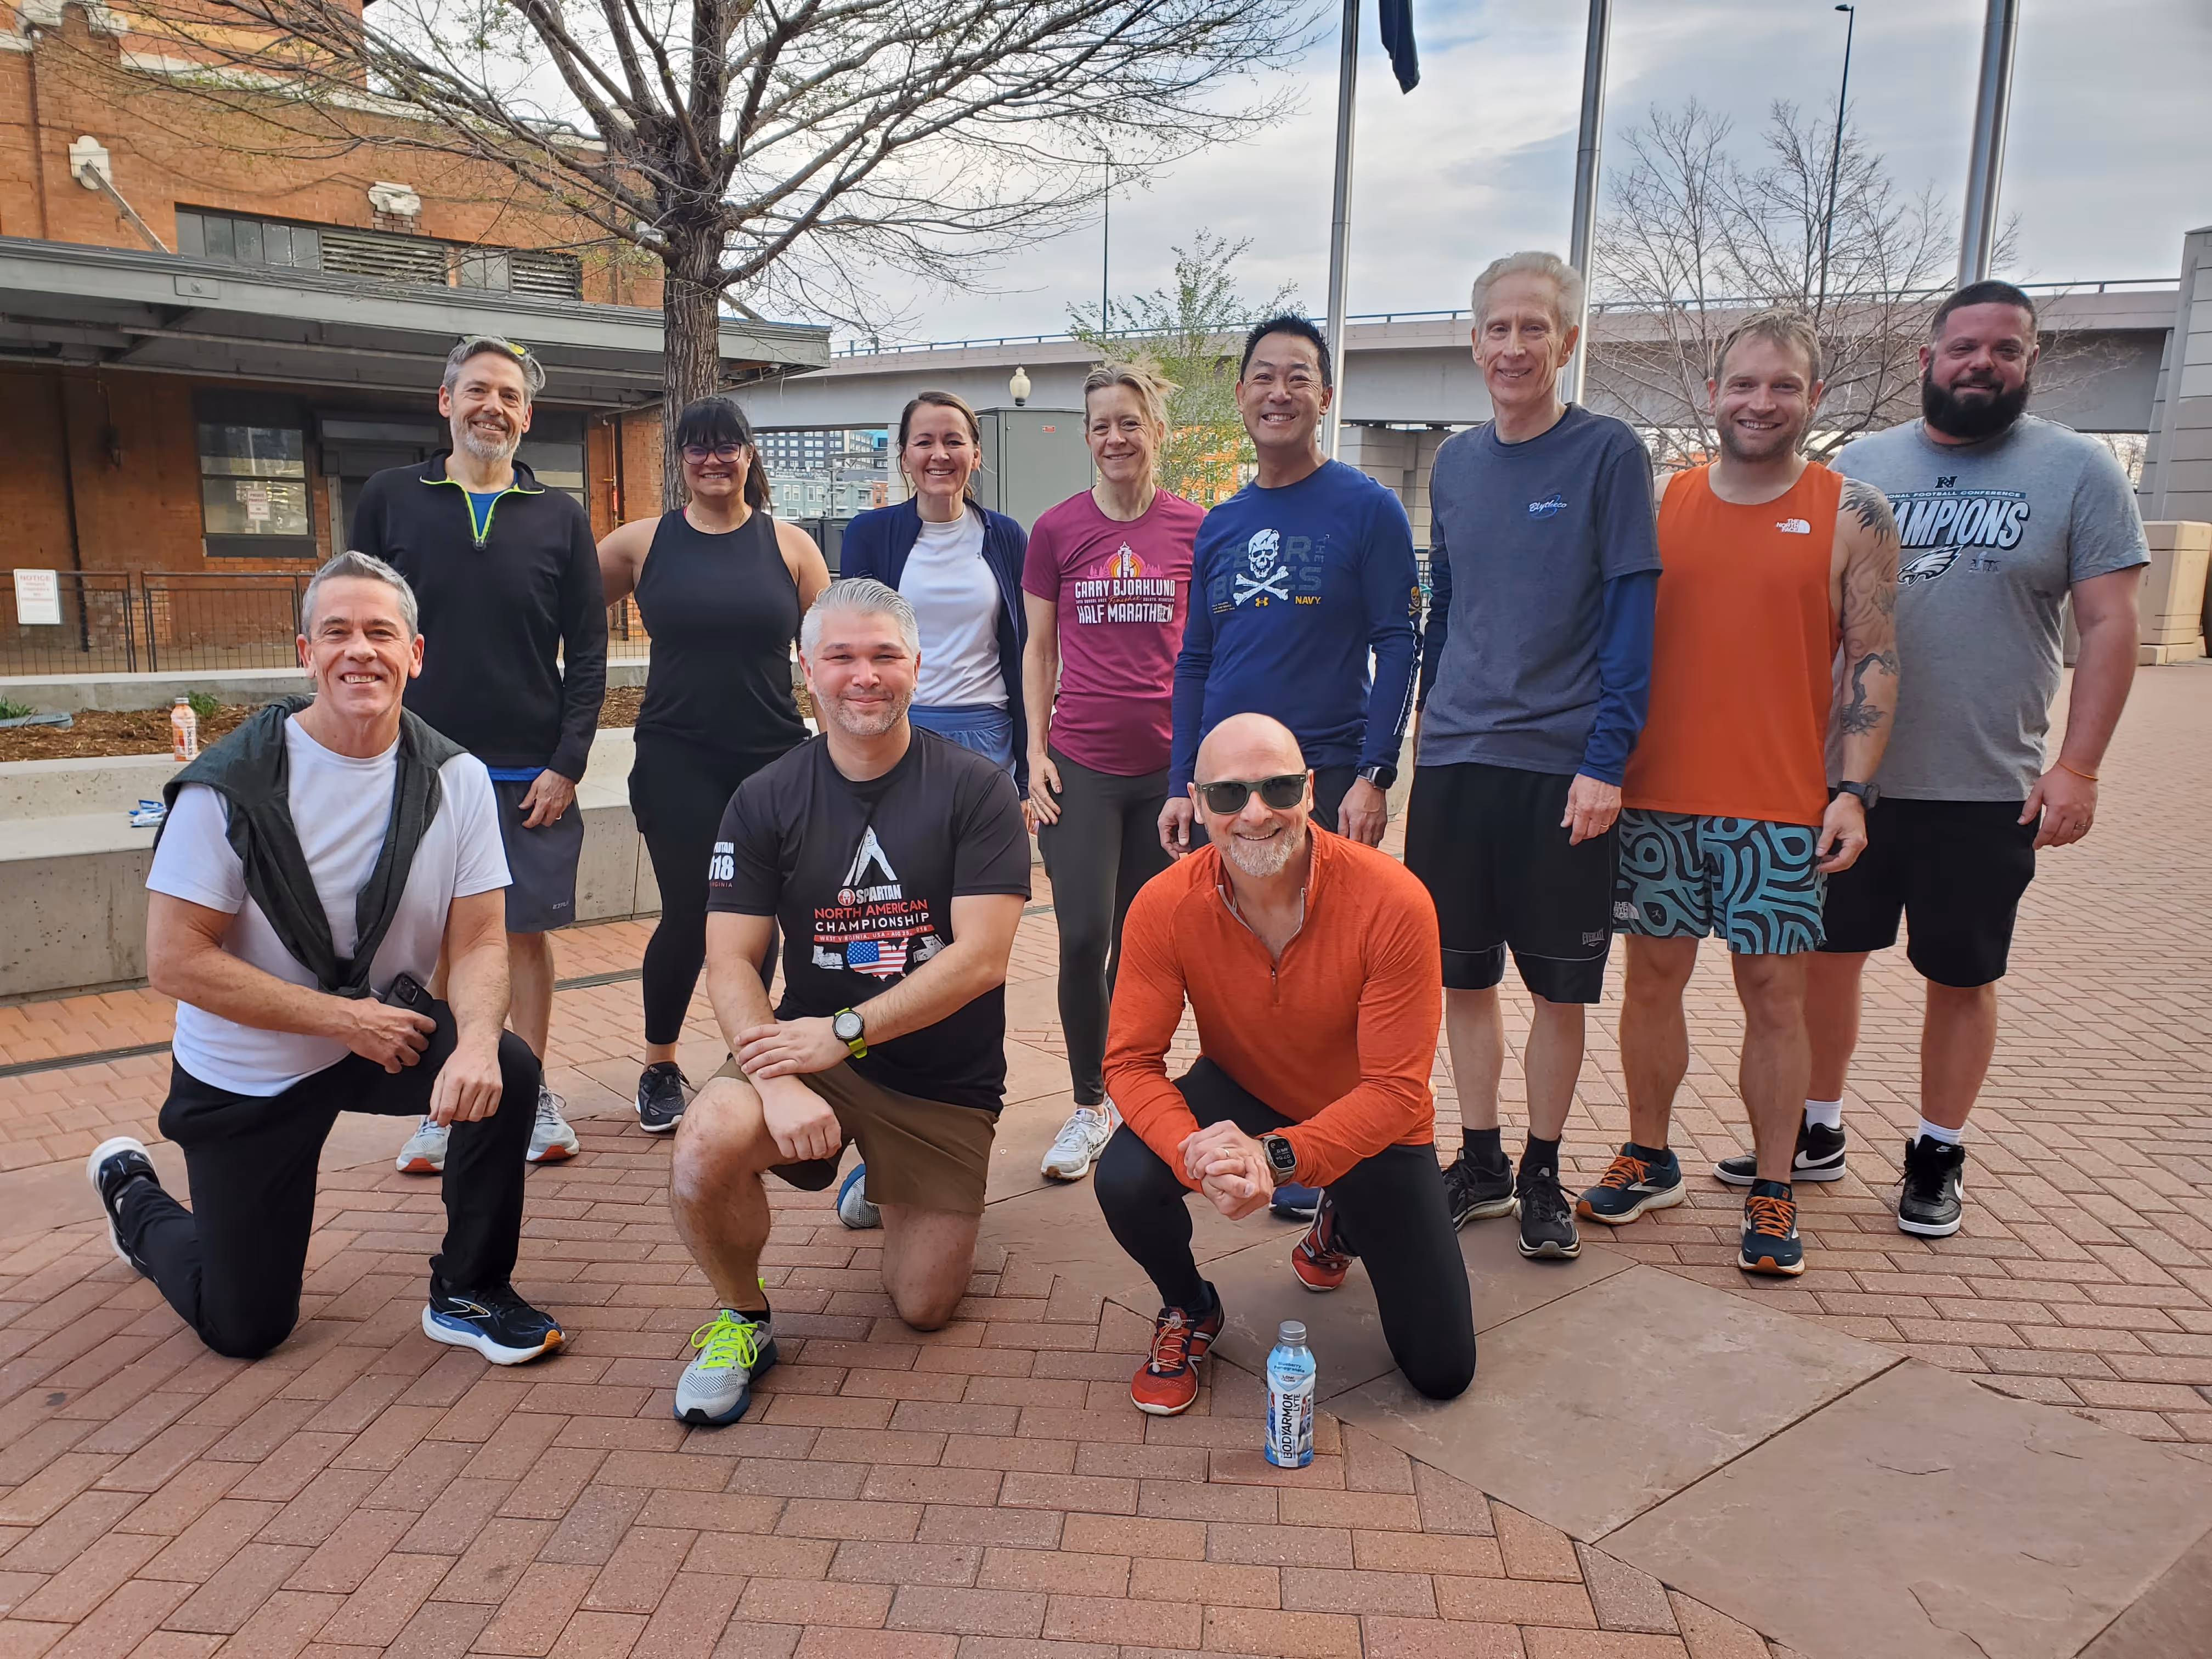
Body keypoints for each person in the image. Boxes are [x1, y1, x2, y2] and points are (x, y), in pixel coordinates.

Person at [87, 551, 562, 1365]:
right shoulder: (228, 787)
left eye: (381, 632)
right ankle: (135, 1199)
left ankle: (469, 1289)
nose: (359, 651)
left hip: (382, 1038)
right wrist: (344, 1019)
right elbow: (175, 961)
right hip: (251, 1071)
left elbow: (482, 937)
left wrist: (477, 1043)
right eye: (336, 632)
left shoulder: (458, 778)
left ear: (415, 654)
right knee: (245, 1327)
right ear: (306, 652)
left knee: (508, 1070)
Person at [1765, 280, 2148, 1238]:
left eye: (2005, 349)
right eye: (1964, 346)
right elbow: (1807, 621)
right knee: (1826, 960)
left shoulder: (2077, 472)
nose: (1982, 362)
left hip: (1983, 784)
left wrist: (2080, 766)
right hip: (1849, 779)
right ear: (1926, 358)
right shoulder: (1861, 463)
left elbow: (2108, 624)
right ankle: (1816, 1129)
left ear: (2028, 361)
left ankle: (1937, 1146)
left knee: (1961, 975)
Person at [1576, 311, 1899, 1278]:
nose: (1761, 402)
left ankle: (1771, 1183)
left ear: (1811, 398)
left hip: (1780, 803)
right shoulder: (1660, 504)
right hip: (1659, 796)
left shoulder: (1852, 511)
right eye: (1744, 384)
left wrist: (1852, 790)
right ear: (1712, 393)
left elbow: (1874, 660)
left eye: (1782, 386)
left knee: (1773, 997)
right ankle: (1650, 1151)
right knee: (1652, 981)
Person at [667, 579, 1030, 1426]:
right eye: (840, 657)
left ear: (917, 665)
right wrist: (775, 1076)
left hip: (942, 1078)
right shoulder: (765, 798)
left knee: (922, 1307)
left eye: (884, 656)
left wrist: (845, 1031)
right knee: (706, 1138)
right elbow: (729, 960)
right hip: (808, 1057)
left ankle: (883, 1171)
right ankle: (740, 1319)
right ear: (806, 669)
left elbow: (981, 961)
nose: (863, 676)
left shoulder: (976, 790)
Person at [1097, 713, 1475, 1416]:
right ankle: (1189, 1306)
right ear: (1197, 801)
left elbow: (1395, 1090)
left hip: (1374, 1123)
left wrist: (1274, 1160)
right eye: (1229, 795)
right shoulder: (1164, 903)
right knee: (1123, 1177)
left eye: (1276, 787)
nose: (1255, 813)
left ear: (1309, 789)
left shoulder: (1392, 900)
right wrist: (1194, 1153)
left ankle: (1341, 1223)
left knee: (1442, 1369)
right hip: (1247, 1087)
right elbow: (1129, 1062)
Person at [1402, 252, 1661, 1262]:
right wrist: (1428, 722)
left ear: (1567, 340)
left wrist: (1607, 758)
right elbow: (1451, 607)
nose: (1513, 346)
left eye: (1532, 328)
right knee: (1460, 978)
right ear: (1474, 344)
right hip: (1460, 758)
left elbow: (1631, 622)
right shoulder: (1457, 465)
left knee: (1559, 988)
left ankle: (1546, 1166)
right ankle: (1482, 1158)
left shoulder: (1608, 456)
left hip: (1563, 765)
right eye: (1496, 330)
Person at [352, 335, 606, 1172]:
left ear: (526, 416)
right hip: (417, 768)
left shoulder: (561, 517)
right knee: (430, 942)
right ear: (445, 400)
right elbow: (359, 628)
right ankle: (442, 1100)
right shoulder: (391, 498)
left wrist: (567, 761)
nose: (491, 407)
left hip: (526, 770)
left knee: (522, 934)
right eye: (477, 391)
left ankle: (527, 1096)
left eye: (508, 396)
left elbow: (590, 651)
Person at [598, 396, 831, 1132]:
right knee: (691, 914)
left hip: (773, 759)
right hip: (676, 760)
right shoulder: (640, 545)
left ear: (748, 455)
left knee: (757, 918)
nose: (712, 458)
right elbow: (557, 613)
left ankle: (747, 1059)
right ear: (681, 460)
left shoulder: (791, 547)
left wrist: (843, 758)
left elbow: (824, 661)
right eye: (696, 447)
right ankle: (659, 1062)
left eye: (726, 445)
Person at [1022, 363, 1204, 1184]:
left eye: (1129, 422)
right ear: (1087, 436)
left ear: (1156, 431)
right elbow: (1038, 649)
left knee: (1143, 945)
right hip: (1082, 768)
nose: (1115, 438)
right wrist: (1034, 753)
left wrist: (1201, 766)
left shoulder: (1196, 529)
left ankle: (1141, 1092)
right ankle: (1090, 1100)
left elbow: (1210, 653)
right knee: (1083, 935)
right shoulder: (1057, 530)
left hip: (1168, 773)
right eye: (1101, 425)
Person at [1161, 314, 1420, 855]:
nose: (1279, 393)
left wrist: (1375, 776)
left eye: (1298, 379)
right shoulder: (1220, 524)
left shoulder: (1370, 509)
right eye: (1263, 378)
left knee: (1327, 937)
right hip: (1227, 786)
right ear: (1240, 394)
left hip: (1323, 777)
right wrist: (1182, 783)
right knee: (1226, 938)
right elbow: (1196, 660)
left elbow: (1398, 645)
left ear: (1324, 397)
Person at [842, 391, 1029, 783]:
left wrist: (1029, 765)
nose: (939, 454)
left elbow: (1024, 649)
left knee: (984, 843)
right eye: (925, 442)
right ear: (905, 457)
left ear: (975, 455)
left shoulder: (1006, 536)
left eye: (954, 441)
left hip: (987, 729)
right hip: (900, 726)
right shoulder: (869, 534)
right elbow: (853, 644)